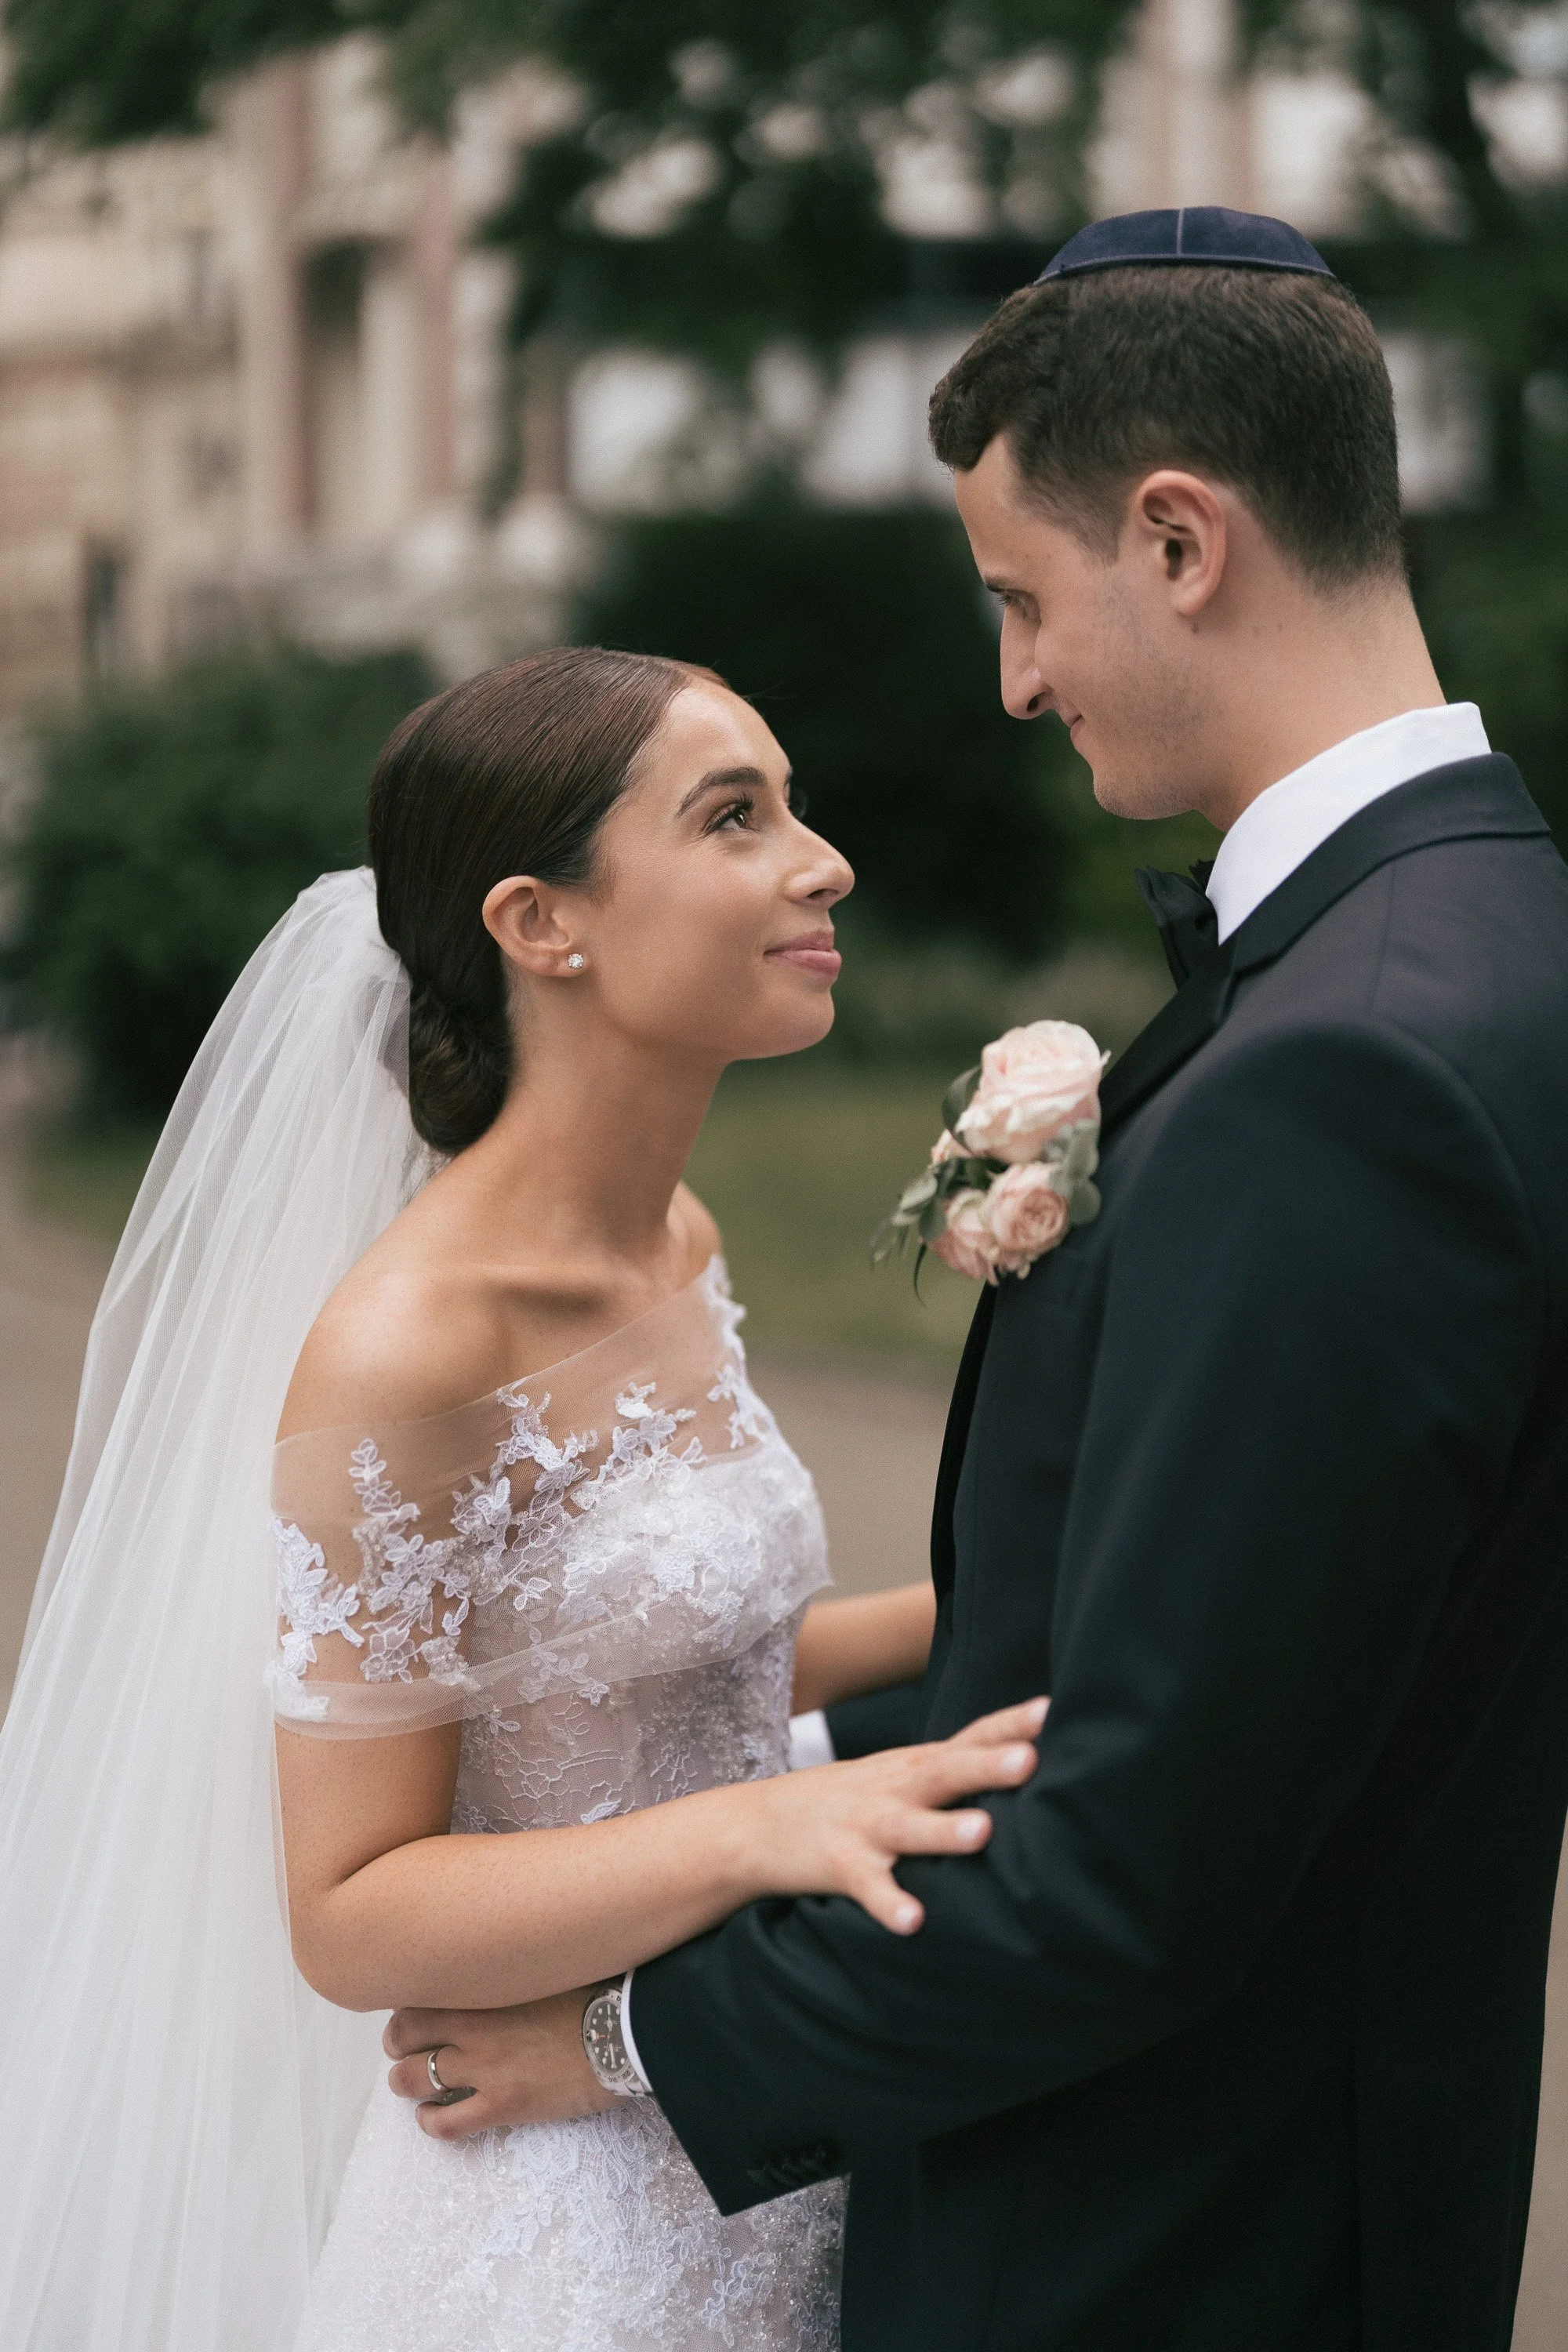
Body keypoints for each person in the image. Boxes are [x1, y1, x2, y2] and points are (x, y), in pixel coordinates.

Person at [392, 212, 1568, 2352]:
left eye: (1026, 599)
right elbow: (1189, 1648)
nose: (1016, 678)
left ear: (1182, 539)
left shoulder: (1352, 1070)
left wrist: (641, 2042)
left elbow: (1130, 1864)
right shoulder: (1478, 940)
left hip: (1158, 2245)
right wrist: (696, 1756)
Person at [0, 643, 1044, 2352]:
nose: (822, 858)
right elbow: (351, 1906)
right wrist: (764, 1826)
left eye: (792, 806)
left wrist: (1017, 1598)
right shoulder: (407, 1352)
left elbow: (641, 1675)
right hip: (558, 2237)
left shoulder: (674, 1240)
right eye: (734, 817)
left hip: (761, 2132)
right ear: (537, 923)